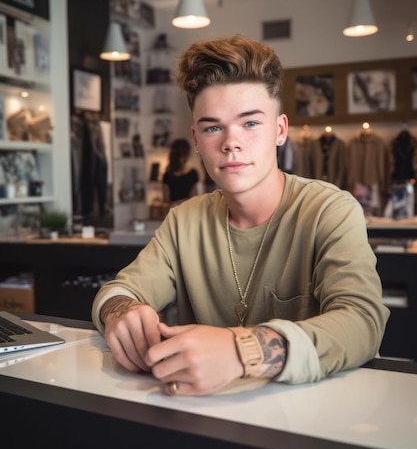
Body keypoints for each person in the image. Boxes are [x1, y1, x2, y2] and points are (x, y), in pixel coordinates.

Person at [92, 35, 389, 397]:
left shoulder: (330, 211)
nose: (231, 142)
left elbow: (363, 322)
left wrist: (242, 350)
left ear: (280, 130)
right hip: (201, 417)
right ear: (197, 140)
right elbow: (119, 290)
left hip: (312, 420)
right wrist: (120, 313)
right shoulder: (184, 220)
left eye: (250, 123)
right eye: (213, 127)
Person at [162, 138, 199, 205]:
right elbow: (194, 198)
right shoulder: (192, 173)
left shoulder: (167, 175)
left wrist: (175, 204)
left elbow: (166, 199)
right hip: (187, 211)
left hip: (173, 210)